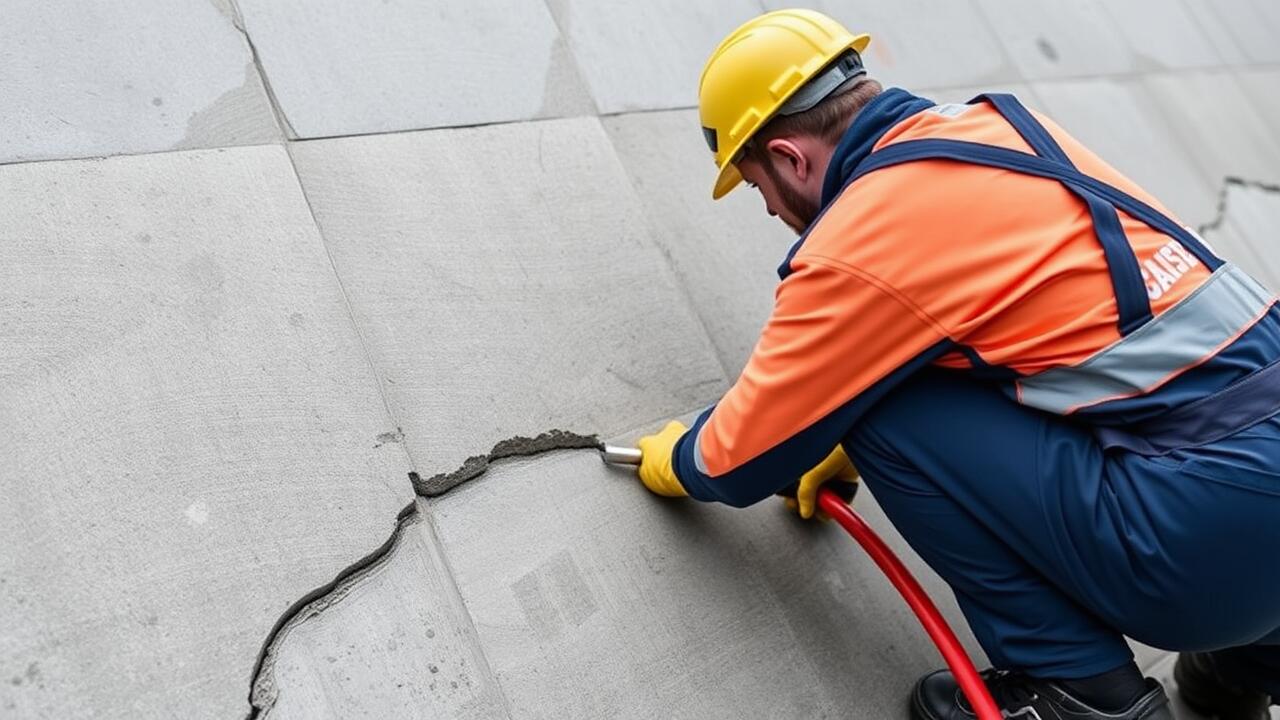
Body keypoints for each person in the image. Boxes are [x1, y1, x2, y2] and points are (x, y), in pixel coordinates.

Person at [633, 9, 1280, 720]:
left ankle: (1079, 694)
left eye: (757, 185)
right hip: (1250, 500)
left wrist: (680, 457)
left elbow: (743, 459)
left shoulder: (860, 237)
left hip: (1207, 549)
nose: (767, 210)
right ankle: (1244, 670)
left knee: (877, 402)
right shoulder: (1003, 129)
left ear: (790, 158)